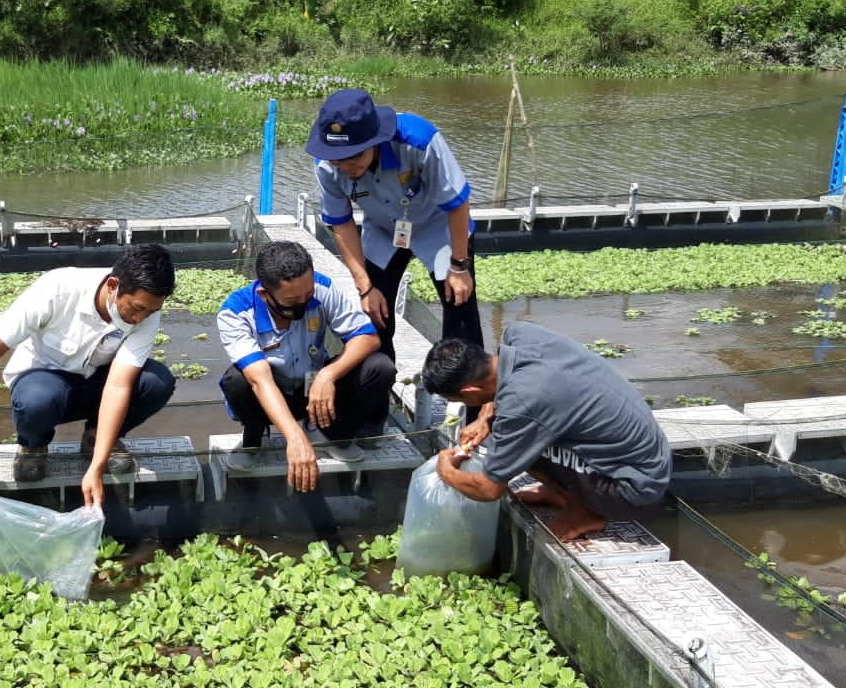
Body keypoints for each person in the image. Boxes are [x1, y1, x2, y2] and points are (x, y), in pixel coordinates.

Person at [0, 244, 177, 508]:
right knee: (38, 399)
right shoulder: (58, 288)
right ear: (113, 285)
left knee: (157, 381)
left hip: (96, 383)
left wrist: (97, 466)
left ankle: (95, 438)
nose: (140, 318)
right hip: (44, 384)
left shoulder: (147, 312)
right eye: (136, 308)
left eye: (149, 312)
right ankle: (33, 447)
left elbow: (118, 384)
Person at [420, 324, 672, 540]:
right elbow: (499, 384)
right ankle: (563, 492)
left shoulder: (521, 403)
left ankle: (584, 511)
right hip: (646, 454)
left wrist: (447, 472)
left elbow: (488, 489)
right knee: (505, 431)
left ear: (470, 393)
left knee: (507, 441)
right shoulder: (520, 335)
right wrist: (486, 415)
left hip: (634, 487)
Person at [308, 88, 483, 360]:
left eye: (354, 157)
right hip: (382, 231)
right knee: (375, 316)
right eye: (337, 160)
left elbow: (457, 203)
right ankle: (381, 393)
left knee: (459, 312)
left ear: (375, 142)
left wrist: (459, 266)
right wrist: (365, 287)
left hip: (437, 229)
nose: (345, 167)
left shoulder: (418, 140)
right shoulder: (326, 166)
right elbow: (341, 224)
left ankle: (475, 400)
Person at [216, 241, 397, 493]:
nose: (304, 303)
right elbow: (260, 380)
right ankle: (253, 440)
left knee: (380, 367)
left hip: (315, 392)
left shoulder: (322, 287)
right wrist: (294, 437)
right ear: (264, 295)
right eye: (292, 301)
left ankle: (334, 435)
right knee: (236, 380)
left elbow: (367, 337)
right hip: (271, 396)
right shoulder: (235, 312)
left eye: (308, 295)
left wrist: (328, 374)